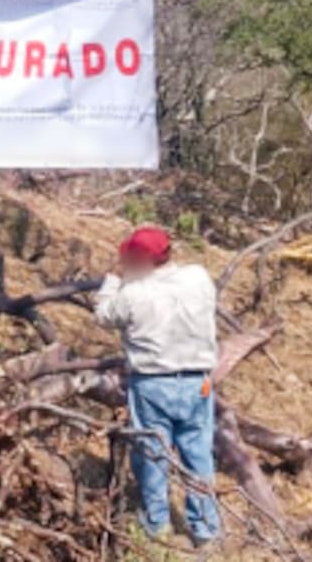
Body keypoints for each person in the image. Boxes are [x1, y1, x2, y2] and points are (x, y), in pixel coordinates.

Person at [94, 226, 221, 547]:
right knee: (198, 456)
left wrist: (111, 280)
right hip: (198, 383)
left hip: (153, 385)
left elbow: (104, 315)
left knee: (153, 454)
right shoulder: (199, 277)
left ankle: (156, 524)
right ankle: (206, 530)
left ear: (137, 259)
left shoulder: (133, 295)